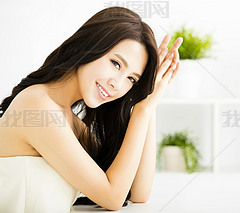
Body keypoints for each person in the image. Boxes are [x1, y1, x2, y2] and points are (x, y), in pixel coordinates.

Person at [0, 6, 183, 212]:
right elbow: (112, 198)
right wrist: (142, 112)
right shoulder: (37, 106)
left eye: (132, 79)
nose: (118, 84)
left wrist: (148, 100)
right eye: (115, 63)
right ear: (87, 46)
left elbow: (137, 193)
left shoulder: (72, 124)